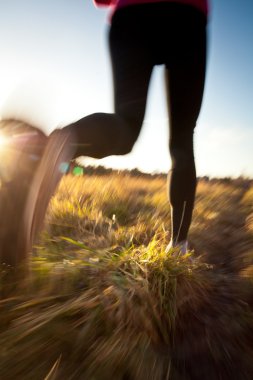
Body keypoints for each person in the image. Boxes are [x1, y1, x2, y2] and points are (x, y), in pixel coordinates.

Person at [24, 0, 209, 255]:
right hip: (187, 18)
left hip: (131, 16)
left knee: (126, 125)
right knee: (182, 141)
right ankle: (178, 248)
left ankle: (42, 149)